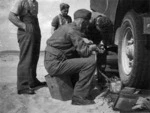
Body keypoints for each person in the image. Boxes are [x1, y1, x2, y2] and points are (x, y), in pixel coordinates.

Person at [44, 9, 103, 105]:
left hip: (52, 60)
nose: (87, 26)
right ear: (83, 21)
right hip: (55, 64)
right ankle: (79, 97)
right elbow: (84, 52)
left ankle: (76, 86)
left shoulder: (67, 27)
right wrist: (93, 47)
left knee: (78, 58)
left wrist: (88, 44)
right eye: (86, 23)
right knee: (90, 62)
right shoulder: (73, 30)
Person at [8, 0, 46, 95]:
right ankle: (22, 86)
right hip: (26, 31)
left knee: (34, 56)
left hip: (36, 29)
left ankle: (32, 81)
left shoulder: (35, 3)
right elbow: (11, 16)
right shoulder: (21, 1)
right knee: (26, 58)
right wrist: (23, 25)